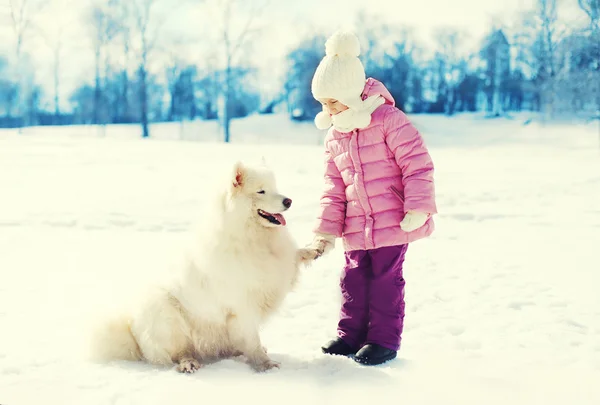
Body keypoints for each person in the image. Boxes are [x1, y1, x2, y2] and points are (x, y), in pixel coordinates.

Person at [305, 30, 438, 366]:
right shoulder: (335, 135)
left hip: (392, 219)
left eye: (333, 100)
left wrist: (418, 207)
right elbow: (333, 187)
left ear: (351, 92)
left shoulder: (387, 120)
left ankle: (382, 340)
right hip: (355, 227)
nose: (328, 108)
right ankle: (351, 335)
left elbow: (418, 164)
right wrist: (326, 230)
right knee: (352, 278)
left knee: (384, 279)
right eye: (323, 103)